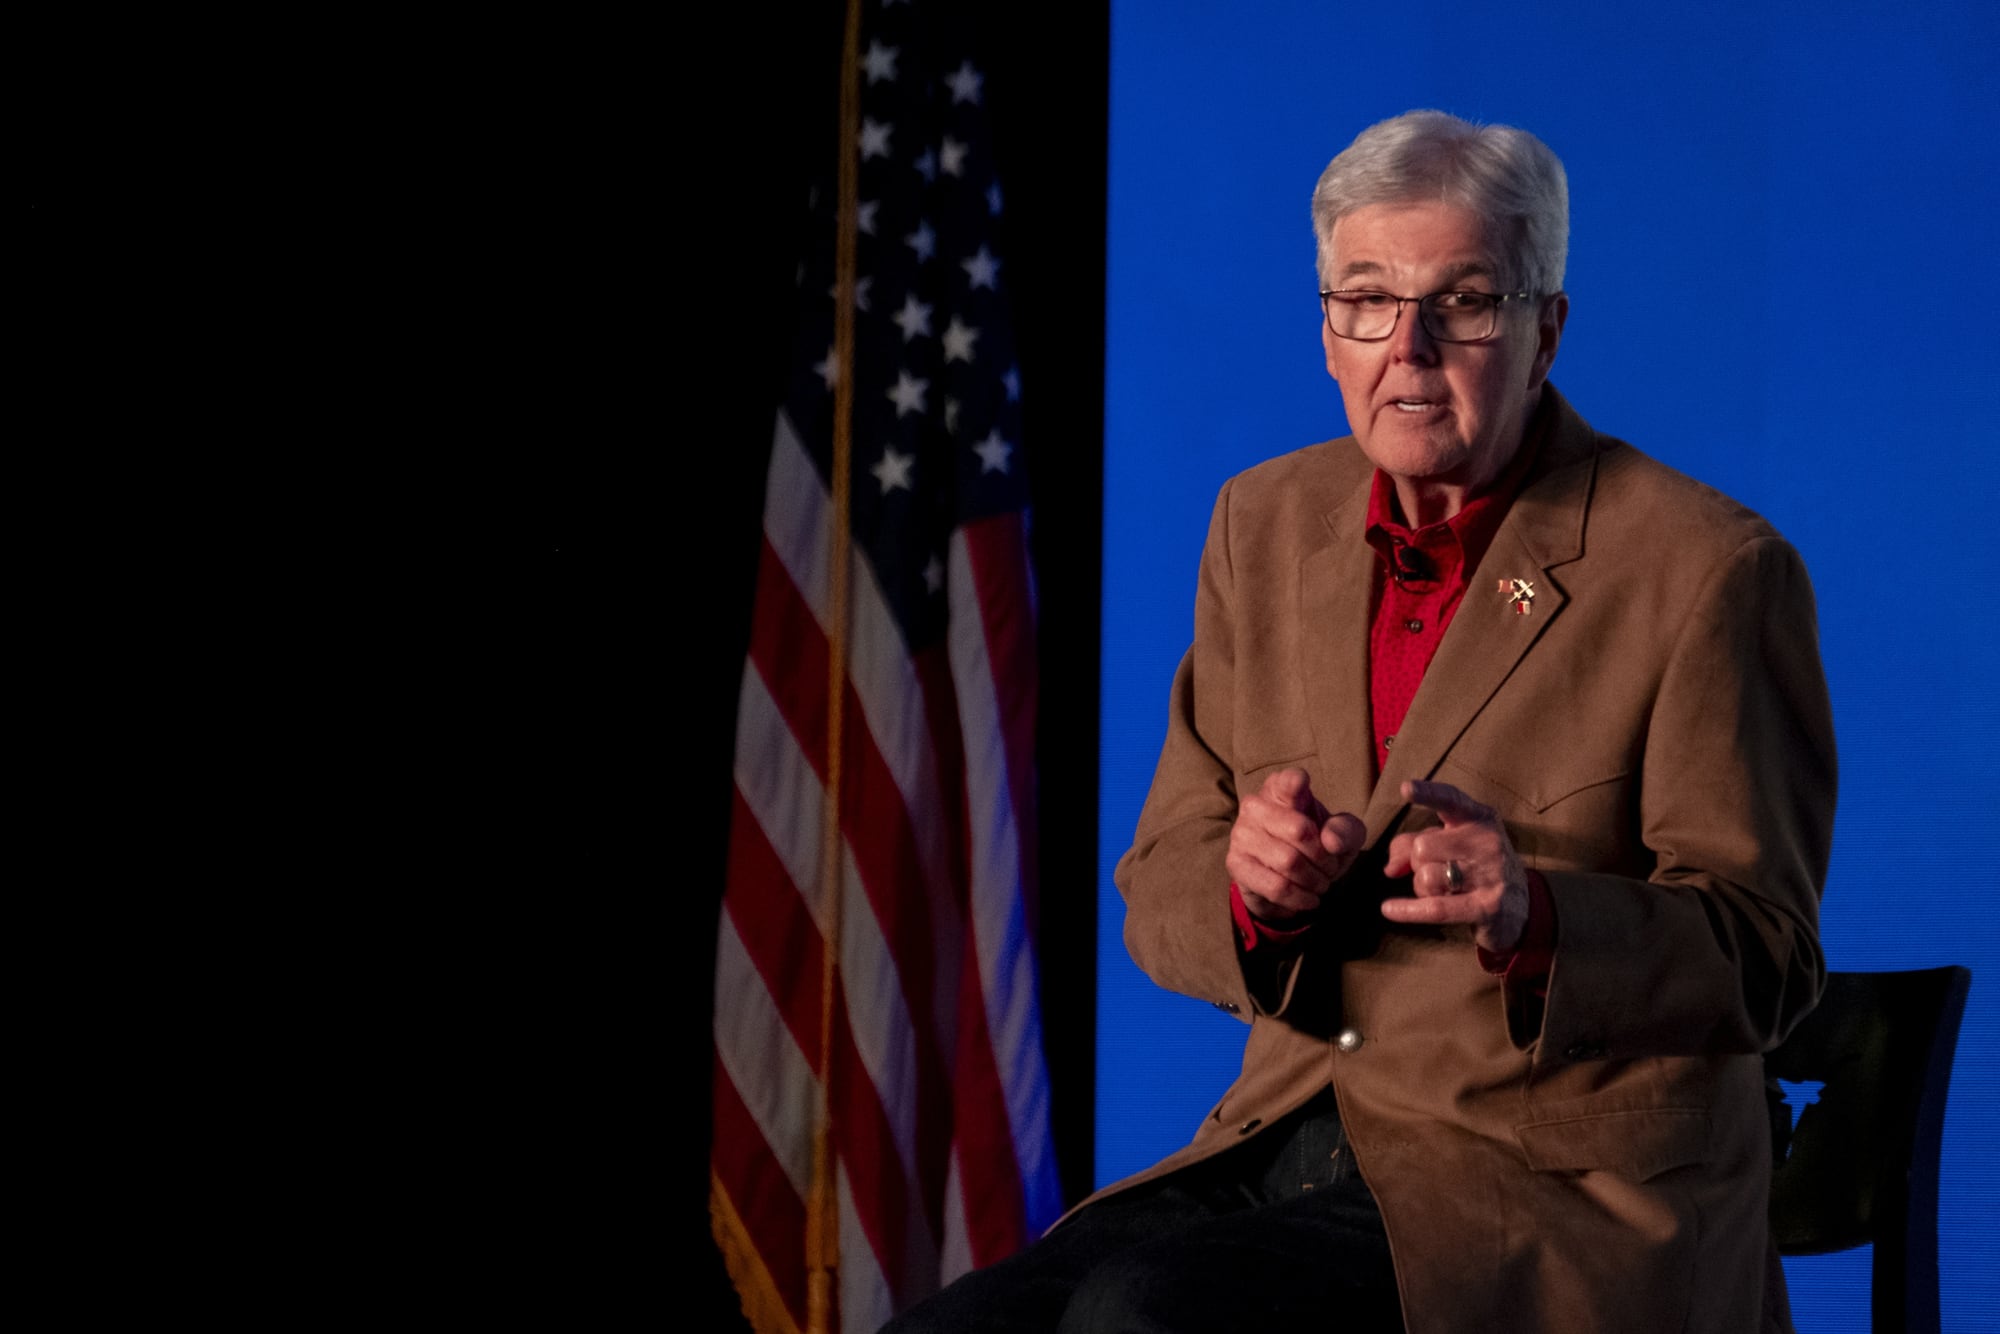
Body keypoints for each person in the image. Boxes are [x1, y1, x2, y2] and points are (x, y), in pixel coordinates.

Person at [883, 108, 1835, 1334]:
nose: (1409, 347)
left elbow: (1768, 956)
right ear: (1325, 330)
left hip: (1552, 1191)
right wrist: (1252, 894)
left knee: (1144, 1317)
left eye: (1466, 301)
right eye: (1365, 300)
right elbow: (1158, 881)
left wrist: (1534, 911)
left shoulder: (1708, 568)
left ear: (1545, 331)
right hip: (1290, 1131)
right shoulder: (1261, 522)